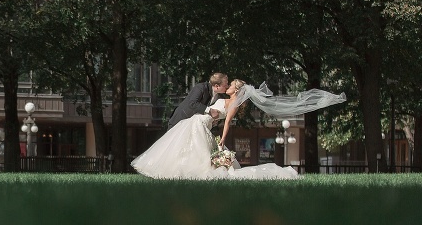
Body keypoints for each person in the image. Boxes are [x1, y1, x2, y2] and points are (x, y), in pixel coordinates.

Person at [131, 79, 347, 180]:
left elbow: (226, 123)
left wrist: (222, 141)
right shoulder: (225, 98)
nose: (229, 86)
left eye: (232, 85)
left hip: (200, 125)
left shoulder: (233, 104)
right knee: (184, 149)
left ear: (237, 90)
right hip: (197, 123)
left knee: (193, 153)